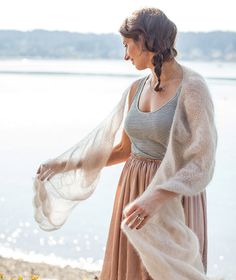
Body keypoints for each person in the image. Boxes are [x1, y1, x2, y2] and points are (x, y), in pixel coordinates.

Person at [35, 7, 217, 280]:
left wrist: (155, 198)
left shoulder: (193, 87)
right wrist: (63, 164)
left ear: (144, 40)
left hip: (172, 199)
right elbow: (123, 149)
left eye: (127, 45)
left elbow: (202, 161)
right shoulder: (136, 88)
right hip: (133, 191)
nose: (125, 55)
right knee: (129, 272)